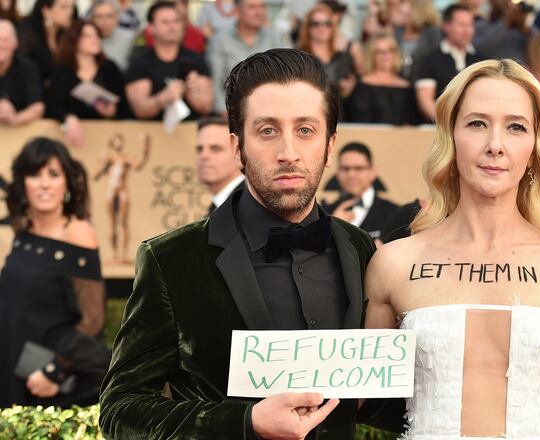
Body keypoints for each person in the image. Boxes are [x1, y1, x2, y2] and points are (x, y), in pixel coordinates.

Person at [99, 48, 395, 439]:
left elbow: (369, 396)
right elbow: (120, 410)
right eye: (267, 130)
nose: (288, 153)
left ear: (330, 145)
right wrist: (246, 422)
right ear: (238, 147)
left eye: (305, 130)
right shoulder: (172, 259)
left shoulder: (359, 249)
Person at [365, 58, 540, 439]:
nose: (495, 146)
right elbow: (358, 402)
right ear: (451, 135)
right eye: (477, 123)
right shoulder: (395, 263)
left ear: (534, 146)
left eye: (515, 127)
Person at [0, 137, 110, 408]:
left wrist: (55, 370)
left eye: (54, 174)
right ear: (23, 184)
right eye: (35, 174)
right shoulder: (22, 232)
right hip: (12, 365)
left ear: (68, 183)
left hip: (48, 379)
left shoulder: (78, 232)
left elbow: (92, 320)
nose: (45, 184)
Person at [47, 21, 129, 149]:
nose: (94, 39)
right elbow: (52, 106)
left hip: (105, 141)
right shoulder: (62, 71)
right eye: (87, 36)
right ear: (74, 40)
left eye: (96, 35)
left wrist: (112, 111)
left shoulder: (109, 68)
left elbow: (124, 106)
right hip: (70, 142)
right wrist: (68, 117)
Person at [125, 1, 213, 121]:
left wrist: (191, 90)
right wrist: (163, 98)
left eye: (176, 21)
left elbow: (206, 107)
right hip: (151, 133)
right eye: (165, 22)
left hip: (191, 133)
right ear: (151, 28)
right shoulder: (140, 63)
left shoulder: (196, 60)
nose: (172, 27)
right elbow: (140, 110)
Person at [207, 0, 288, 115]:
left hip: (271, 107)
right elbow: (215, 82)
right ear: (238, 11)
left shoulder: (274, 36)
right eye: (252, 7)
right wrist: (225, 113)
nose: (259, 12)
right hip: (234, 110)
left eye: (262, 7)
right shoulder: (220, 40)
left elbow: (283, 75)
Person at [414, 4, 481, 121]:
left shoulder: (481, 61)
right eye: (461, 25)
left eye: (470, 25)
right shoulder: (430, 61)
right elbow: (425, 99)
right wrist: (445, 123)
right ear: (446, 26)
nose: (466, 30)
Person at [94, 133, 151, 265]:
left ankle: (124, 255)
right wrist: (103, 165)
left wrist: (145, 147)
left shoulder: (125, 158)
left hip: (122, 191)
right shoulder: (107, 158)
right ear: (112, 142)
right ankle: (114, 254)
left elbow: (139, 164)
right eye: (116, 140)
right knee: (111, 223)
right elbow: (95, 175)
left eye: (121, 140)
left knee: (123, 223)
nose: (119, 143)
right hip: (110, 191)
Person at [325, 142, 400, 241]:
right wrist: (331, 227)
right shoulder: (324, 214)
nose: (351, 174)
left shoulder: (394, 213)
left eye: (359, 168)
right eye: (345, 168)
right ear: (337, 172)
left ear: (373, 171)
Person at [344, 34, 419, 125]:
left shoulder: (407, 87)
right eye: (380, 52)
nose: (385, 56)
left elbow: (413, 121)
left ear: (395, 54)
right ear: (372, 55)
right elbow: (357, 120)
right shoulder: (362, 86)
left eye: (389, 51)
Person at [297, 3, 358, 98]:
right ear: (307, 27)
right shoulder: (299, 57)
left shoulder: (343, 56)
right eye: (316, 24)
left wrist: (348, 87)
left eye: (327, 24)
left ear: (333, 27)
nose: (322, 28)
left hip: (339, 110)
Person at [17, 0, 76, 88]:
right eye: (64, 7)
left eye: (72, 7)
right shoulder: (27, 31)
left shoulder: (67, 33)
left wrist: (51, 38)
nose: (70, 12)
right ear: (46, 11)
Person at [196, 116, 244, 215]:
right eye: (200, 149)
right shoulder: (219, 205)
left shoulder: (249, 206)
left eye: (215, 148)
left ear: (239, 153)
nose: (203, 156)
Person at [0, 20, 45, 127]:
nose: (0, 45)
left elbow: (38, 107)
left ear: (15, 43)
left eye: (5, 40)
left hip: (18, 136)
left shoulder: (27, 67)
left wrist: (15, 118)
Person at [89, 0, 136, 72]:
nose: (105, 22)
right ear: (92, 19)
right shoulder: (84, 41)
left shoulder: (131, 38)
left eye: (109, 16)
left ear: (117, 18)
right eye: (99, 17)